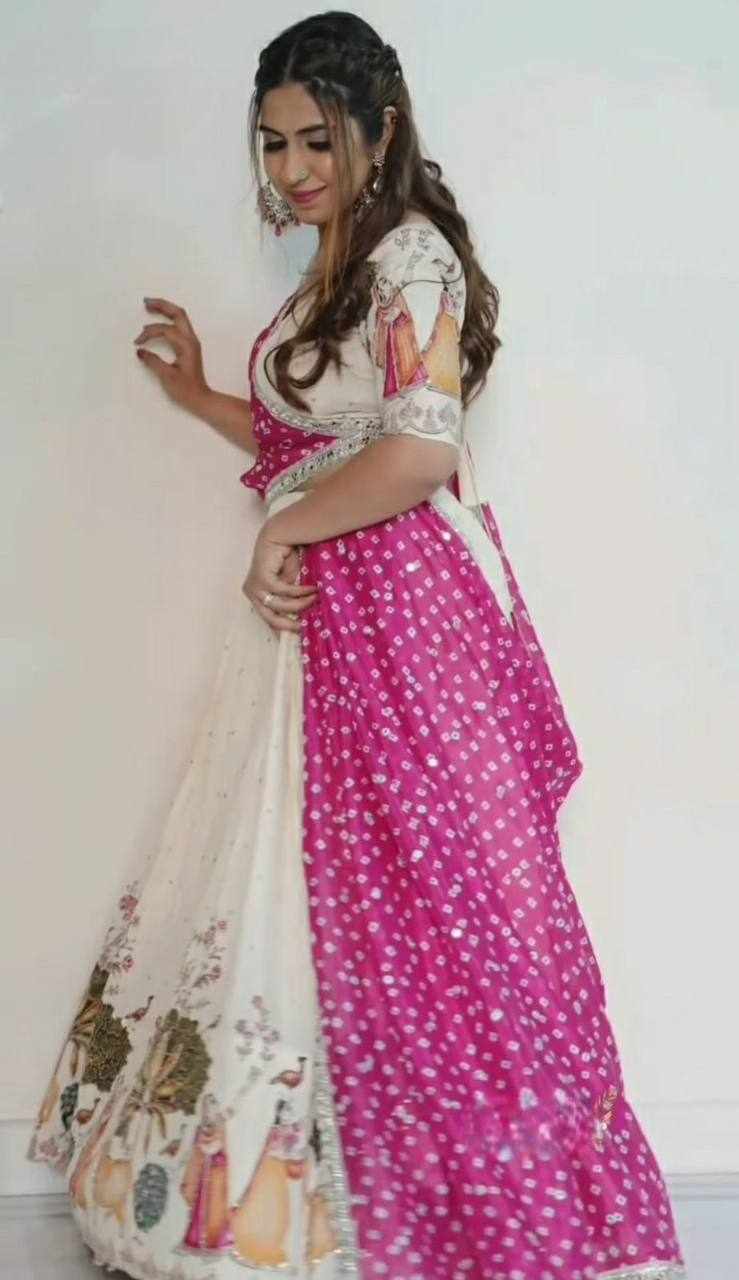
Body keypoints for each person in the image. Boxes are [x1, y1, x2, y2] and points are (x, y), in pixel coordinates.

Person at [26, 11, 688, 1280]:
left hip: (400, 612)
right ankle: (286, 1209)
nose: (291, 169)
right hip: (331, 611)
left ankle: (480, 1214)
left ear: (379, 133)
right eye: (272, 144)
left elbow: (417, 452)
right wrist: (205, 396)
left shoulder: (411, 259)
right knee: (307, 884)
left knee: (435, 900)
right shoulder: (343, 267)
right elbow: (327, 436)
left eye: (315, 141)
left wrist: (281, 533)